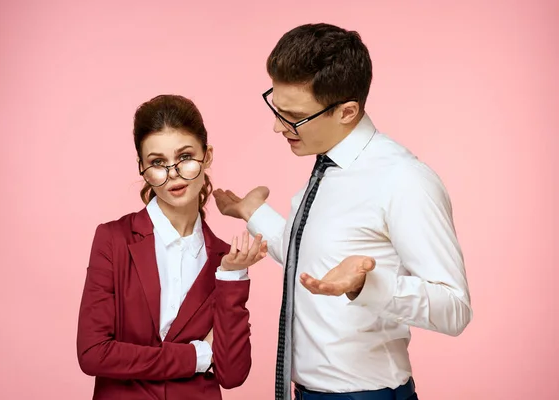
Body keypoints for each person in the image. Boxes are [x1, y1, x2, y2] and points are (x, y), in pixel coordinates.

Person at [213, 23, 472, 400]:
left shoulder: (403, 179)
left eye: (293, 116)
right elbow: (316, 264)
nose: (276, 126)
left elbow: (455, 308)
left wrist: (367, 285)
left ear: (347, 111)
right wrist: (254, 213)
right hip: (306, 392)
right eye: (276, 107)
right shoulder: (325, 172)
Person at [76, 94, 267, 400]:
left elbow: (232, 375)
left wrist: (232, 277)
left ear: (207, 155)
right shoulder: (113, 240)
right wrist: (198, 356)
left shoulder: (222, 258)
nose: (173, 173)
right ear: (142, 167)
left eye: (185, 156)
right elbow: (93, 353)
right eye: (157, 163)